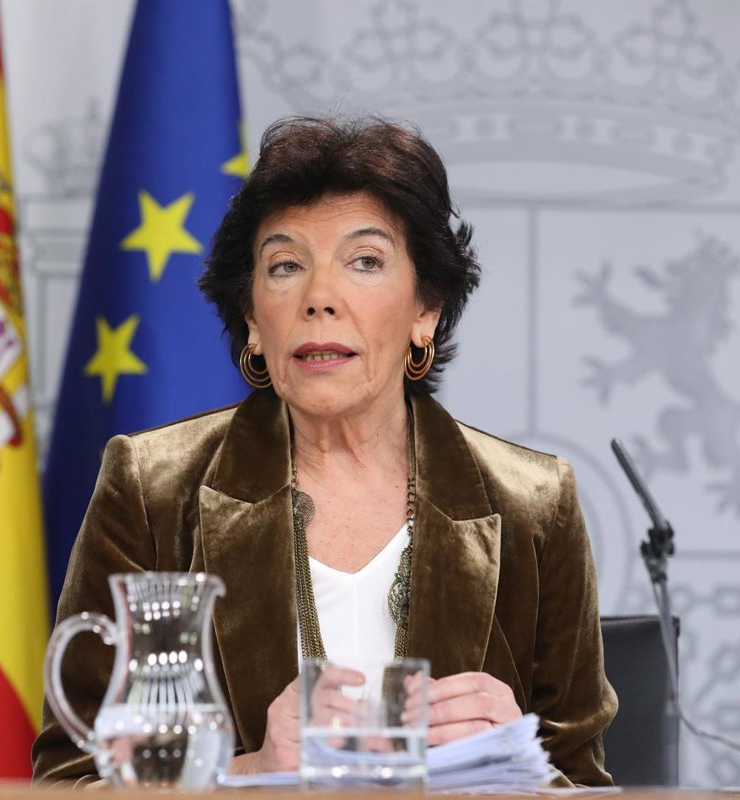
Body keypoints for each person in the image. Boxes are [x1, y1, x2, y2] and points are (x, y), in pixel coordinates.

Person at [31, 117, 617, 786]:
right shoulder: (153, 488)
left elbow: (588, 784)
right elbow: (67, 780)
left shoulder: (533, 505)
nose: (319, 300)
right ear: (252, 318)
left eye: (365, 262)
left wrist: (518, 773)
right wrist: (248, 775)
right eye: (285, 266)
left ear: (426, 309)